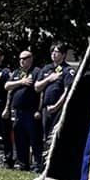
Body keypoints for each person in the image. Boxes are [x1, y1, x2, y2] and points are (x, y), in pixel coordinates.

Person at [35, 44, 70, 172]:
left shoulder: (67, 70)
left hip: (58, 110)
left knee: (56, 138)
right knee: (46, 137)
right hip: (46, 109)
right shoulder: (46, 69)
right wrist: (49, 79)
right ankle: (44, 166)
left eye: (57, 52)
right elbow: (37, 87)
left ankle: (55, 167)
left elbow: (67, 91)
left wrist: (56, 106)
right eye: (52, 52)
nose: (53, 54)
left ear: (63, 54)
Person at [7, 50, 40, 170]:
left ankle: (37, 165)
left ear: (31, 59)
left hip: (31, 111)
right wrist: (21, 82)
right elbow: (7, 86)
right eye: (20, 58)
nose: (22, 61)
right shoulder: (17, 72)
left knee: (34, 140)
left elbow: (40, 91)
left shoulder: (36, 71)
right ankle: (22, 164)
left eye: (24, 58)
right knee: (20, 139)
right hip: (18, 112)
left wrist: (38, 110)